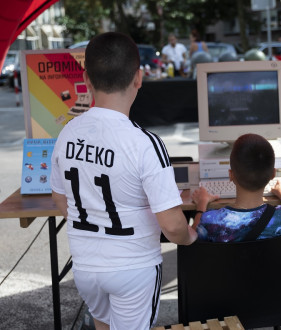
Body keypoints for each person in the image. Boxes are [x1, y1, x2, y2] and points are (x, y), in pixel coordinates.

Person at [50, 32, 197, 330]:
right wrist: (192, 235)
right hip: (133, 268)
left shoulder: (67, 133)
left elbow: (59, 197)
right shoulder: (144, 143)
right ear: (139, 78)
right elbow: (172, 226)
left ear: (87, 79)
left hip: (86, 268)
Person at [191, 133, 281, 242]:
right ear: (273, 174)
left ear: (231, 175)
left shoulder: (211, 220)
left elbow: (194, 238)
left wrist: (201, 205)